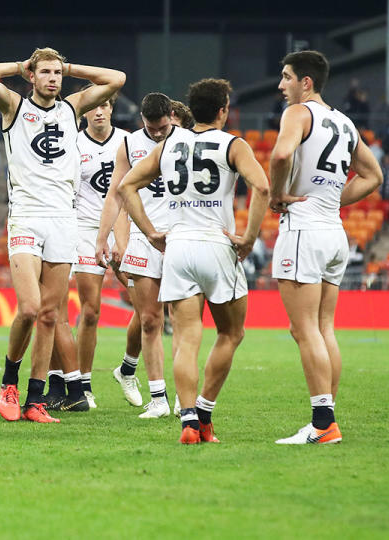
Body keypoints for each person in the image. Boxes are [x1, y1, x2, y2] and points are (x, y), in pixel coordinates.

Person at [0, 47, 125, 423]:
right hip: (26, 217)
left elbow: (116, 78)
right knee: (28, 308)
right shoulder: (14, 108)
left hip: (63, 220)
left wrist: (73, 67)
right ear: (32, 76)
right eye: (46, 72)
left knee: (49, 315)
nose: (54, 78)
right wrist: (17, 67)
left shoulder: (72, 109)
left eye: (58, 73)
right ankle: (9, 381)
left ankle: (35, 400)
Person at [119, 78, 270, 444]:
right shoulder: (233, 144)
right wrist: (249, 238)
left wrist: (152, 232)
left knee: (186, 338)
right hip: (217, 245)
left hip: (178, 248)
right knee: (231, 333)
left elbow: (125, 186)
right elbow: (263, 188)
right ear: (223, 110)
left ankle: (187, 420)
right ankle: (204, 412)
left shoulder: (169, 145)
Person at [269, 51, 382, 444]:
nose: (281, 85)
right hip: (334, 233)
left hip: (303, 231)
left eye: (286, 77)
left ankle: (322, 423)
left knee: (304, 331)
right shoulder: (346, 123)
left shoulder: (299, 113)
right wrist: (332, 199)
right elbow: (374, 176)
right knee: (322, 328)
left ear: (306, 82)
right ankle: (327, 418)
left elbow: (282, 154)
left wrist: (278, 194)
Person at [96, 93, 178, 418]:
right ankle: (159, 399)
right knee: (150, 318)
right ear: (142, 119)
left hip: (178, 236)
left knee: (179, 320)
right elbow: (116, 196)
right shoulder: (129, 146)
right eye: (151, 128)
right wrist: (110, 239)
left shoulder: (184, 140)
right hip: (144, 239)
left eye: (162, 128)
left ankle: (130, 370)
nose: (157, 134)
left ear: (172, 116)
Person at [66, 95, 130, 410]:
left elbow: (133, 191)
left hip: (124, 227)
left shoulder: (127, 142)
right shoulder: (74, 144)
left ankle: (129, 369)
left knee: (147, 306)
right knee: (91, 310)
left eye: (104, 105)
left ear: (111, 109)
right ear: (85, 112)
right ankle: (83, 383)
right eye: (93, 106)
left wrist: (123, 235)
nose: (99, 110)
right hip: (84, 229)